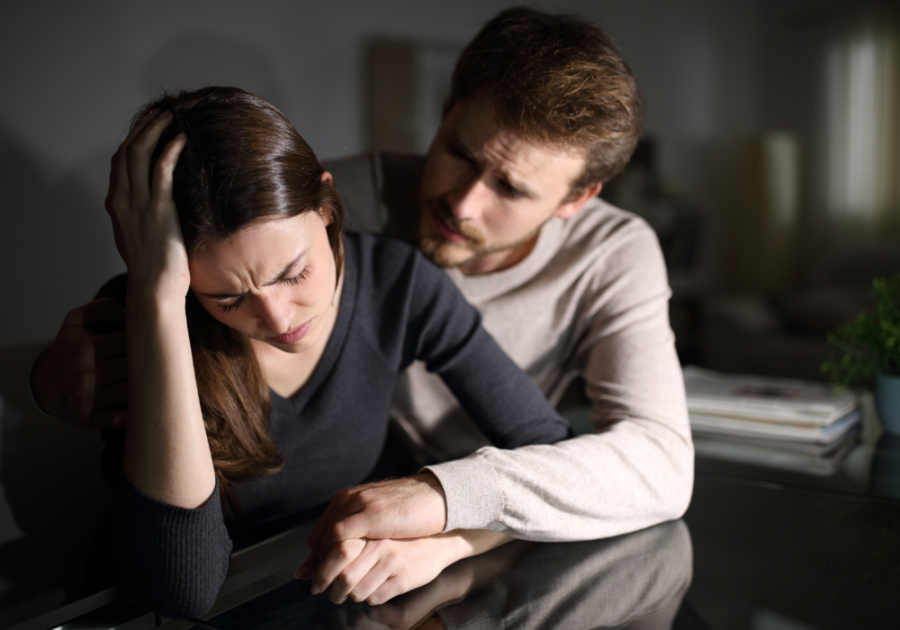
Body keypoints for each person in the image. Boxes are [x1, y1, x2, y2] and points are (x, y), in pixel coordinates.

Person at [31, 6, 692, 605]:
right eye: (459, 152)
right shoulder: (309, 204)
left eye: (511, 188)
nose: (462, 205)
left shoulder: (599, 254)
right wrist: (60, 367)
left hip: (412, 532)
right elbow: (221, 222)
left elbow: (649, 465)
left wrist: (446, 516)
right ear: (445, 114)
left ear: (575, 201)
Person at [94, 86, 571, 619]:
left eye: (294, 273)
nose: (278, 319)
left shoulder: (400, 283)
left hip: (364, 601)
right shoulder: (143, 316)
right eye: (226, 298)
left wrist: (450, 540)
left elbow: (556, 459)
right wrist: (155, 298)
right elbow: (185, 590)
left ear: (325, 206)